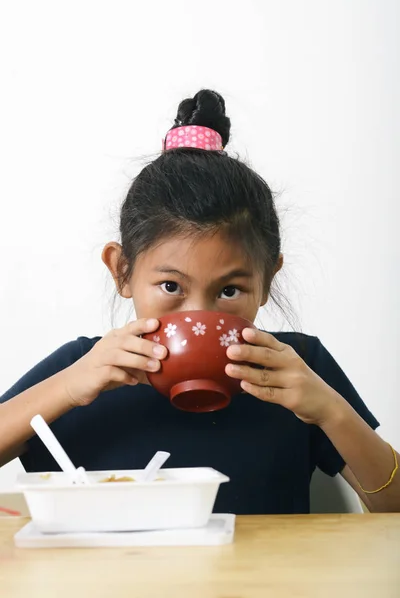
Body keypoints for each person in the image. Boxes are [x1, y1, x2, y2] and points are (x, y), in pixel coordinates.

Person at [0, 90, 398, 514]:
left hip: (265, 581)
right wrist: (67, 388)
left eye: (229, 291)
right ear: (122, 271)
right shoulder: (84, 368)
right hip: (112, 580)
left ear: (267, 281)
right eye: (171, 287)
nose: (198, 316)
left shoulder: (296, 368)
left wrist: (331, 411)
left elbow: (394, 510)